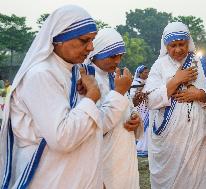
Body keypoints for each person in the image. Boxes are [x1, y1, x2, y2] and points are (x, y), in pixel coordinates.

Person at [0, 5, 129, 189]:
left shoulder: (75, 72)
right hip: (49, 181)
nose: (90, 47)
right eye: (84, 40)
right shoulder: (41, 74)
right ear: (59, 39)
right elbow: (63, 138)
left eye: (92, 40)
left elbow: (93, 128)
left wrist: (95, 179)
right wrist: (91, 97)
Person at [143, 22, 206, 189]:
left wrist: (200, 94)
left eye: (182, 44)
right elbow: (150, 100)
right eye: (173, 45)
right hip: (170, 142)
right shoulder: (159, 66)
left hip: (201, 138)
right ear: (166, 46)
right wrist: (176, 80)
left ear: (188, 42)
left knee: (201, 181)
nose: (178, 49)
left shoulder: (200, 63)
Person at [87, 28, 142, 189]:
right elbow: (95, 126)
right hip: (103, 158)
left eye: (120, 56)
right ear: (96, 53)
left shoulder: (115, 77)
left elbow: (129, 108)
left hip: (125, 154)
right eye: (112, 56)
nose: (117, 61)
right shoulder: (86, 80)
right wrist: (119, 91)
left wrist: (136, 119)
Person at [129, 65, 150, 157]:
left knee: (149, 126)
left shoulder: (150, 82)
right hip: (140, 107)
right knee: (141, 126)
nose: (147, 74)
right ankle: (140, 148)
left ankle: (148, 147)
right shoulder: (135, 83)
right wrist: (140, 93)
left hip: (147, 106)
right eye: (145, 72)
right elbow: (132, 95)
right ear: (140, 73)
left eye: (147, 72)